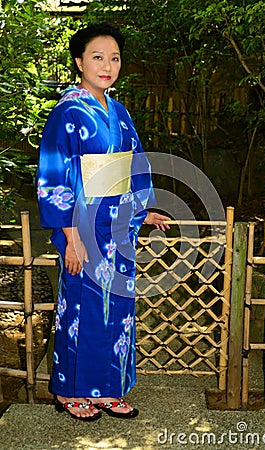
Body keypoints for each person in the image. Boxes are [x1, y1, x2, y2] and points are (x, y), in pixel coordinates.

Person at [37, 22, 170, 421]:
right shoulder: (68, 112)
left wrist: (143, 210)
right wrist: (70, 236)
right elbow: (54, 173)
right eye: (98, 57)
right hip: (82, 226)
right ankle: (71, 390)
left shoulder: (120, 111)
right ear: (79, 61)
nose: (107, 65)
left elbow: (134, 165)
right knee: (82, 307)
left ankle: (108, 388)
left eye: (114, 58)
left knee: (117, 308)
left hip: (117, 228)